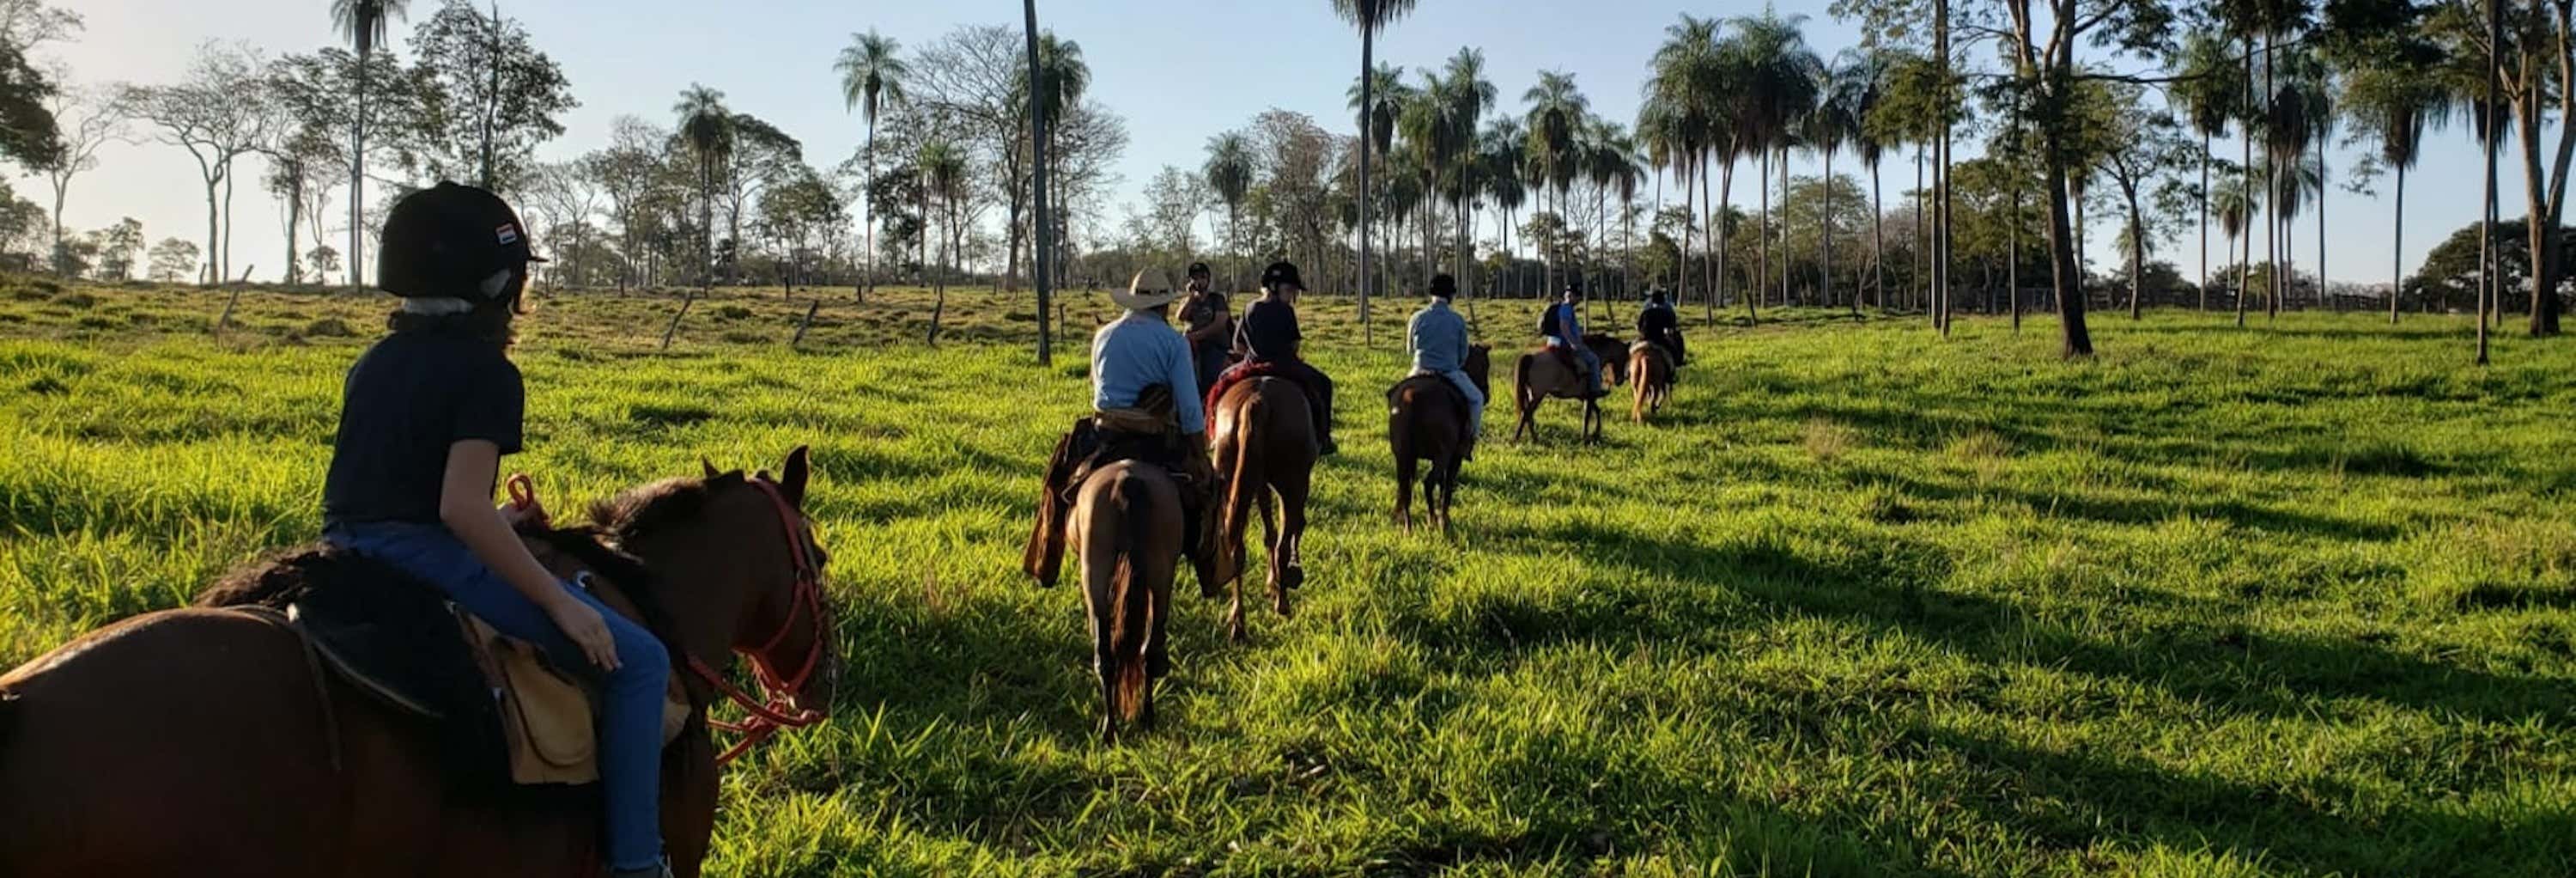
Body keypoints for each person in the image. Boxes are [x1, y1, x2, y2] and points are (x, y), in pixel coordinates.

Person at [318, 183, 675, 878]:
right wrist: (561, 602)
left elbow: (395, 495)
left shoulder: (373, 360)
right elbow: (459, 508)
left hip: (343, 543)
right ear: (498, 282)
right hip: (419, 549)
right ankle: (637, 865)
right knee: (640, 665)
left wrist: (504, 524)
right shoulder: (487, 370)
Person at [1026, 269, 1234, 592]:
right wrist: (1199, 453)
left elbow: (1097, 389)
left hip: (1106, 432)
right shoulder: (1173, 342)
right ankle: (1211, 573)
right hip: (1155, 437)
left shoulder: (1104, 335)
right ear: (1164, 306)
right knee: (1208, 495)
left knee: (1058, 481)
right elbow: (1191, 410)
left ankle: (1046, 558)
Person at [1214, 261, 1339, 455]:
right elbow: (1294, 344)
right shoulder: (1285, 310)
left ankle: (1214, 432)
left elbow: (1237, 346)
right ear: (1274, 287)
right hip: (1284, 365)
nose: (1292, 296)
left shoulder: (1249, 308)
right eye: (1290, 290)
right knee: (1324, 384)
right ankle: (1324, 437)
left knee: (1221, 381)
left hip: (1251, 364)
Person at [1407, 273, 1483, 458]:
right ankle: (1469, 438)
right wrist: (1453, 363)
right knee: (1477, 399)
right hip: (1448, 372)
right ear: (1450, 296)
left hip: (1419, 370)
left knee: (1395, 395)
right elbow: (1463, 353)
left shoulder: (1416, 317)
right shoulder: (1457, 320)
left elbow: (1410, 349)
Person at [1538, 282, 1605, 397]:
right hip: (1564, 344)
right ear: (1572, 296)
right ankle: (1595, 389)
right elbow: (1564, 328)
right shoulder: (1567, 309)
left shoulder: (1560, 307)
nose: (1578, 300)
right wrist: (1573, 343)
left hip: (1553, 342)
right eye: (1577, 297)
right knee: (1594, 360)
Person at [1180, 262, 1234, 396]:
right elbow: (1181, 316)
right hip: (1192, 347)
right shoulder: (1189, 301)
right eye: (1195, 278)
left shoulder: (1217, 299)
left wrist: (1197, 335)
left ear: (1208, 280)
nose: (1199, 282)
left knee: (1210, 373)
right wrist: (1191, 298)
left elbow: (1219, 324)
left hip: (1214, 346)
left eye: (1202, 278)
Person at [1636, 287, 1686, 368]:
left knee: (1631, 350)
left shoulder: (1645, 311)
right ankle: (1678, 364)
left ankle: (1626, 370)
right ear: (1663, 299)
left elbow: (1638, 327)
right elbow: (1670, 329)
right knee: (1674, 351)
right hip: (1659, 340)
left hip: (1645, 339)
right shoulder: (1666, 312)